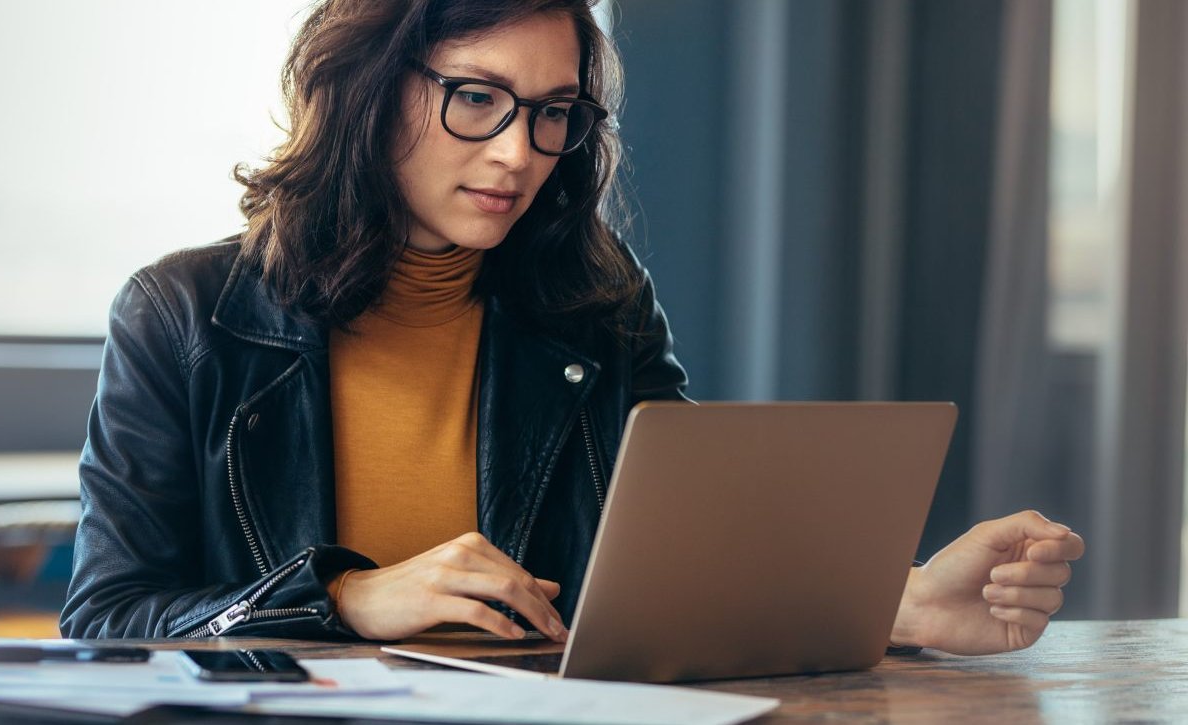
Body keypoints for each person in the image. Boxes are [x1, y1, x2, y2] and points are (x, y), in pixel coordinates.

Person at [60, 0, 1084, 657]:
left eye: (554, 112)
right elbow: (105, 620)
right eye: (477, 98)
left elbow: (684, 566)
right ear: (364, 91)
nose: (519, 151)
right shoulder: (183, 314)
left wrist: (895, 603)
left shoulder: (596, 299)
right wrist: (347, 597)